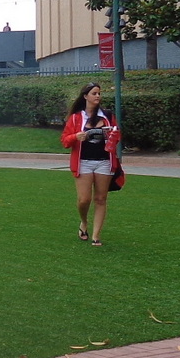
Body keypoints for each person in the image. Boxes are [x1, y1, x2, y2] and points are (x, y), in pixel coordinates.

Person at [60, 83, 121, 246]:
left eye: (99, 93)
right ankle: (84, 222)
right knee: (84, 200)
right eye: (94, 93)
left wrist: (113, 136)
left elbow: (118, 135)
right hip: (83, 163)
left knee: (101, 198)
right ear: (85, 96)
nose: (98, 96)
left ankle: (96, 235)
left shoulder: (107, 115)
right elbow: (65, 141)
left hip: (104, 162)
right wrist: (75, 136)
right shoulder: (76, 118)